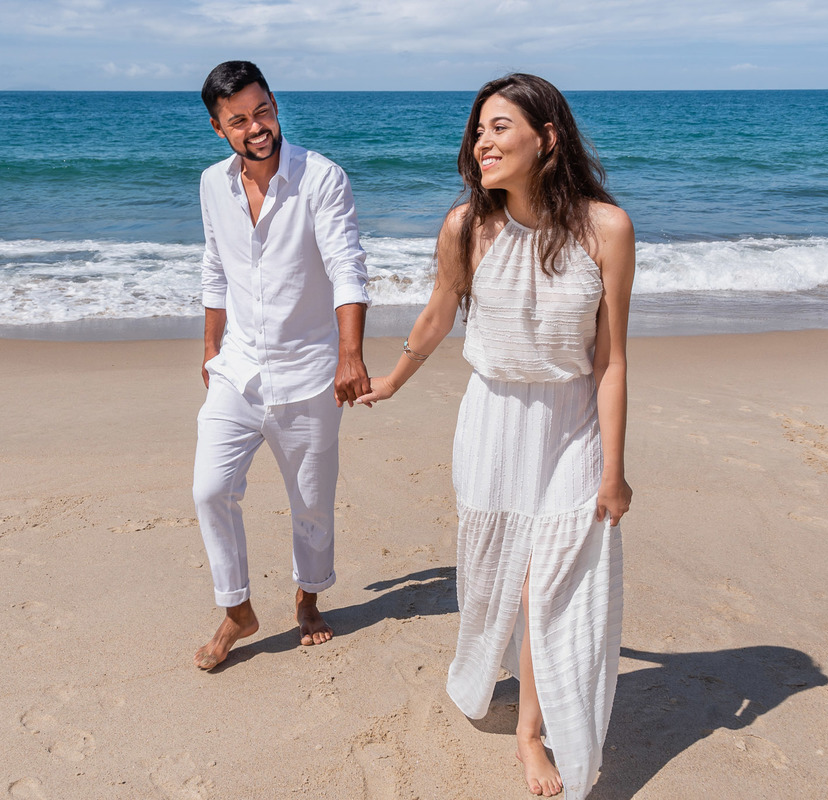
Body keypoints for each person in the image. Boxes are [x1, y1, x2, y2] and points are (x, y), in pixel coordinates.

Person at [356, 74, 634, 797]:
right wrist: (389, 380)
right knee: (499, 580)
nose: (482, 141)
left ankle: (529, 734)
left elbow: (610, 359)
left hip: (572, 421)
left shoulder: (606, 229)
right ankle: (493, 678)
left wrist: (614, 468)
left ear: (546, 137)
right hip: (493, 422)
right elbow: (437, 317)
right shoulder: (465, 227)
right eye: (478, 129)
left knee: (549, 582)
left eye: (500, 126)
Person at [191, 61, 371, 671]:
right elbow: (216, 268)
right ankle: (237, 610)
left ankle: (308, 597)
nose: (257, 127)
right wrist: (211, 350)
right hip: (237, 368)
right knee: (210, 489)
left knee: (312, 503)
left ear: (274, 105)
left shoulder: (321, 178)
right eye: (239, 120)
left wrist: (351, 355)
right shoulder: (212, 185)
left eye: (263, 110)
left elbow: (348, 266)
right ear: (219, 129)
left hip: (311, 372)